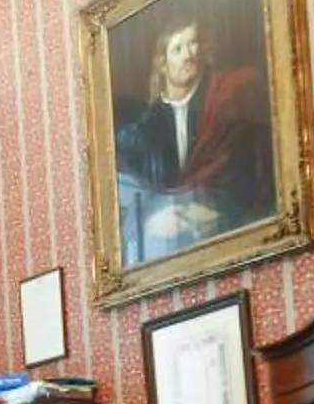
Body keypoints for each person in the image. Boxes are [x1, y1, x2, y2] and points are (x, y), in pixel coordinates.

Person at [114, 17, 279, 263]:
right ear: (162, 63)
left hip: (228, 236)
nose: (188, 55)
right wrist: (152, 218)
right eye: (177, 49)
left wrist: (219, 212)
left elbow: (251, 176)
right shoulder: (143, 131)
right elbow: (129, 194)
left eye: (192, 43)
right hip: (166, 249)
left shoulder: (228, 101)